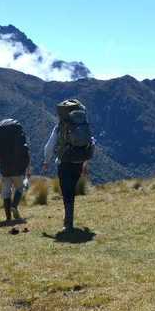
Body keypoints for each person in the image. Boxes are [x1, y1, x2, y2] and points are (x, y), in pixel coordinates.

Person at [42, 99, 95, 231]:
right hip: (79, 161)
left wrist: (46, 161)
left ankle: (68, 222)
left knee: (67, 192)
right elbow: (91, 142)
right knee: (71, 190)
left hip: (64, 162)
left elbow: (49, 146)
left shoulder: (59, 127)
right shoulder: (84, 124)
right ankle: (69, 220)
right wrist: (85, 163)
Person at [0, 118, 31, 222]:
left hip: (4, 170)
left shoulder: (1, 143)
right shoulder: (19, 141)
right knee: (19, 188)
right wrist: (27, 169)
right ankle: (14, 205)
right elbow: (27, 154)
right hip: (18, 169)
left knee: (6, 193)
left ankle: (8, 217)